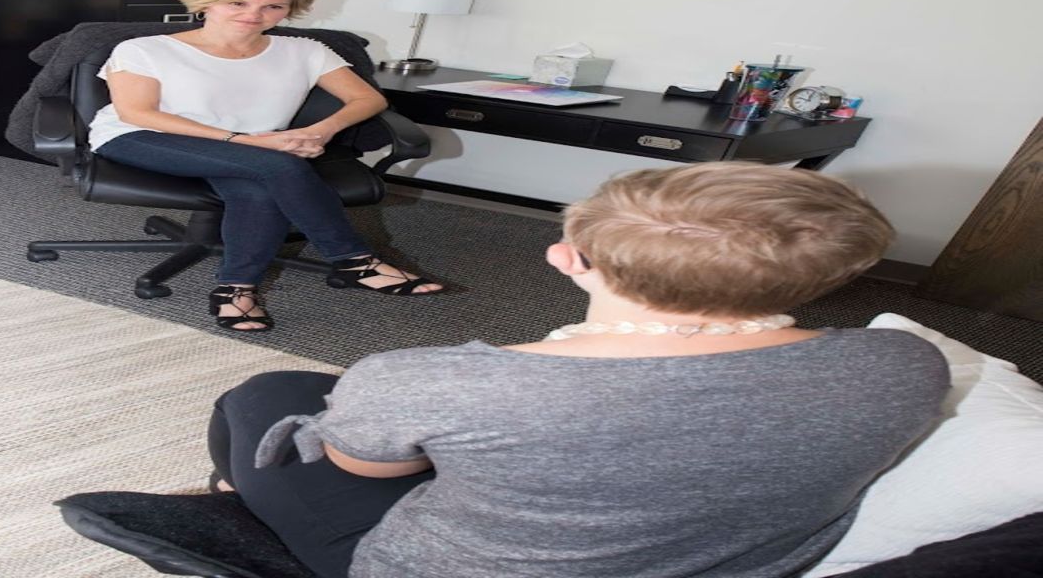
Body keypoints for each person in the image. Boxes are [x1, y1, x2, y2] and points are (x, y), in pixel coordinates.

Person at [200, 162, 949, 577]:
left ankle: (242, 509)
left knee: (264, 396)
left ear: (567, 259)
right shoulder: (905, 362)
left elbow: (367, 471)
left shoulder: (432, 379)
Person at [89, 0, 442, 332]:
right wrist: (247, 141)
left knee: (260, 188)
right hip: (144, 136)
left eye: (273, 6)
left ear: (289, 11)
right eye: (237, 3)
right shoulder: (145, 49)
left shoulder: (305, 50)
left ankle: (236, 291)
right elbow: (137, 113)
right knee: (279, 167)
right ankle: (356, 261)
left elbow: (368, 98)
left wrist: (320, 131)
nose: (254, 14)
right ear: (206, 3)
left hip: (254, 147)